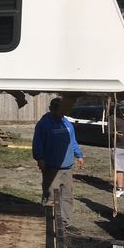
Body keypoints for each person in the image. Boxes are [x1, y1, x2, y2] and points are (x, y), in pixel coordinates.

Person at [32, 98, 84, 232]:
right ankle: (47, 224)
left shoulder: (66, 122)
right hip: (51, 167)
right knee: (50, 197)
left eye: (64, 110)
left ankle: (66, 223)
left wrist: (79, 155)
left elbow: (72, 141)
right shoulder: (44, 124)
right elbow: (37, 143)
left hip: (67, 167)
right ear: (53, 109)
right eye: (61, 110)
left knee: (67, 196)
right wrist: (39, 158)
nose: (63, 113)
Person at [108, 103, 124, 198]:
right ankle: (120, 189)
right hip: (118, 147)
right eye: (122, 110)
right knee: (119, 169)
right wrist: (114, 133)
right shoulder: (113, 118)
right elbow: (108, 131)